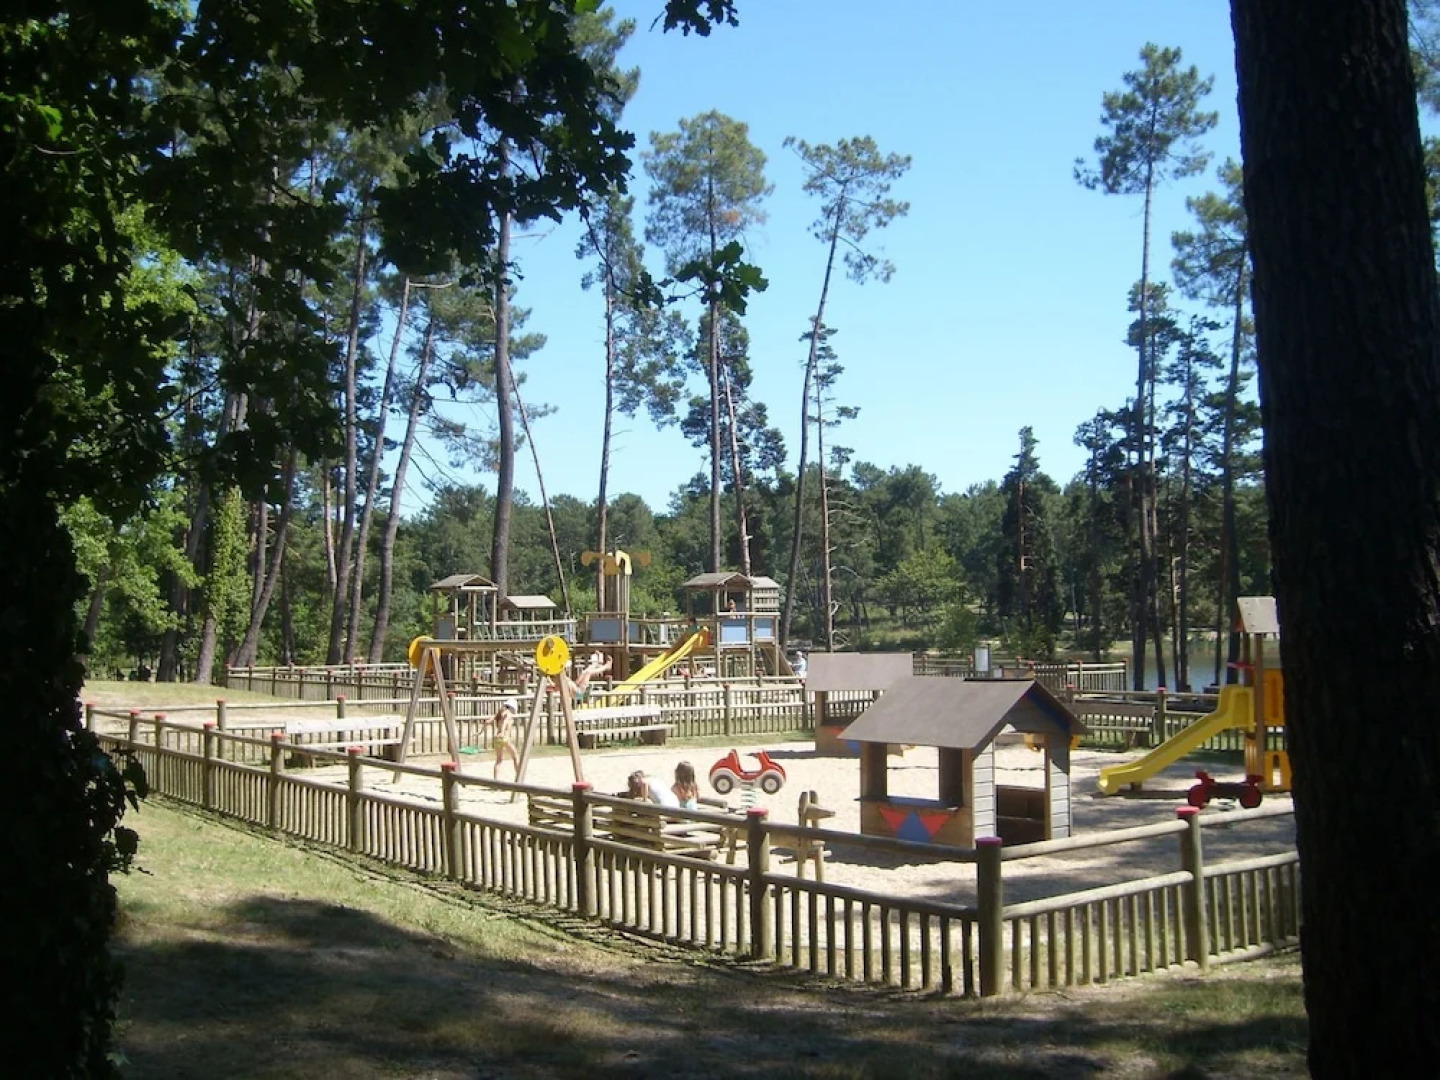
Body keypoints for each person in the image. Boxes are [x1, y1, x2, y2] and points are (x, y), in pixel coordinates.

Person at [486, 698, 521, 780]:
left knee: (499, 760)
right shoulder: (508, 713)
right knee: (515, 756)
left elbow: (490, 720)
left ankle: (496, 781)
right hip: (504, 737)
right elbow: (505, 722)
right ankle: (519, 777)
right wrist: (502, 731)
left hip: (497, 738)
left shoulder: (500, 712)